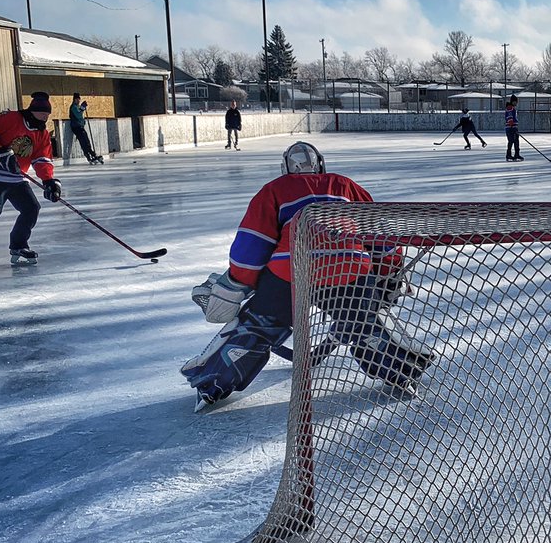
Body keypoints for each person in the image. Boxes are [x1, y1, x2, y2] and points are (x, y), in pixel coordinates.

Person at [181, 141, 435, 409]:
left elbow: (252, 244)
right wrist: (389, 273)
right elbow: (378, 233)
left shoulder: (275, 190)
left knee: (259, 325)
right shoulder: (344, 185)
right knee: (364, 323)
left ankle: (215, 381)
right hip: (349, 270)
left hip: (290, 270)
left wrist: (237, 282)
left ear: (285, 168)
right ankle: (400, 370)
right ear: (321, 164)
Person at [0, 91, 63, 273]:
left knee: (31, 208)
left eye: (47, 116)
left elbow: (42, 159)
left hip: (16, 178)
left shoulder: (42, 133)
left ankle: (18, 245)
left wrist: (48, 181)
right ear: (32, 112)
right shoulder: (9, 118)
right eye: (41, 115)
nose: (44, 120)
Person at [69, 93, 102, 164]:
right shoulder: (73, 107)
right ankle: (88, 156)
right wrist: (82, 108)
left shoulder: (77, 107)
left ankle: (92, 154)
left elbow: (80, 115)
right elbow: (78, 115)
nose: (78, 101)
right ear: (74, 100)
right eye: (77, 99)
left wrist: (83, 121)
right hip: (76, 127)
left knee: (86, 141)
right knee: (83, 141)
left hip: (80, 126)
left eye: (79, 99)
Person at [504, 95, 523, 161]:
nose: (516, 103)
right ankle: (508, 155)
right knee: (511, 140)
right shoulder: (510, 108)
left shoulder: (512, 108)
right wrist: (512, 126)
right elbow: (509, 117)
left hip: (514, 127)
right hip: (510, 128)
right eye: (515, 102)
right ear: (512, 101)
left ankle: (516, 154)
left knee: (516, 141)